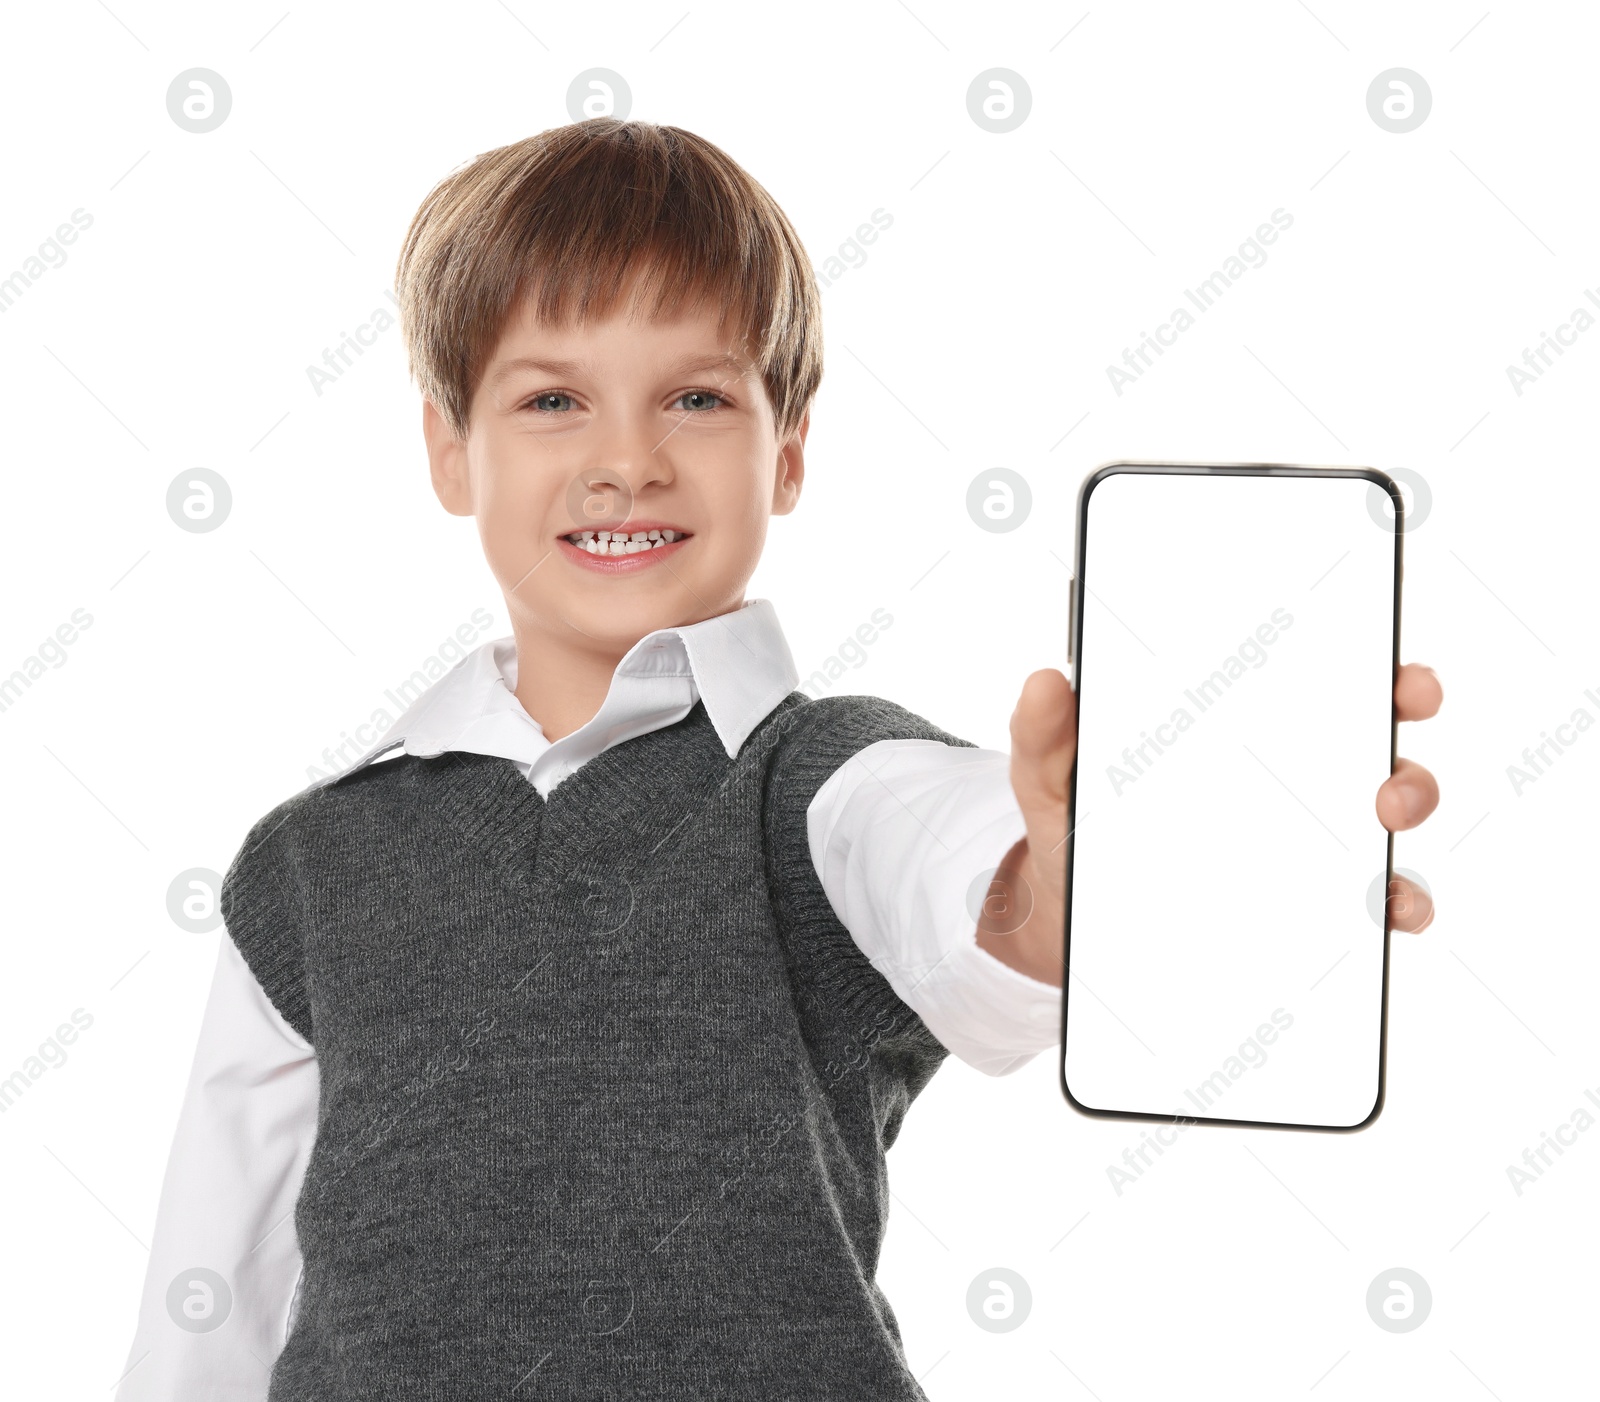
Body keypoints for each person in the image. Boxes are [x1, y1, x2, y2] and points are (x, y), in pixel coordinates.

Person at [112, 118, 1441, 1400]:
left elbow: (958, 870)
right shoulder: (307, 861)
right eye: (553, 399)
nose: (625, 461)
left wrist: (1073, 875)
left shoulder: (819, 780)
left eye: (695, 397)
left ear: (787, 448)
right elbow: (212, 1287)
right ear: (452, 449)